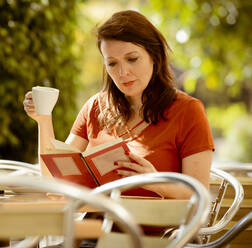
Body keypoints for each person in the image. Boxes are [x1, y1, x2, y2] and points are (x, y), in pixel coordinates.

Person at [23, 10, 214, 199]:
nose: (122, 72)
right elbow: (52, 181)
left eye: (132, 59)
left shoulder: (188, 111)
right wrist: (43, 119)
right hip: (94, 224)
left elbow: (199, 194)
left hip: (158, 228)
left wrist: (155, 181)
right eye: (112, 63)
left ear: (154, 56)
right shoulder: (96, 107)